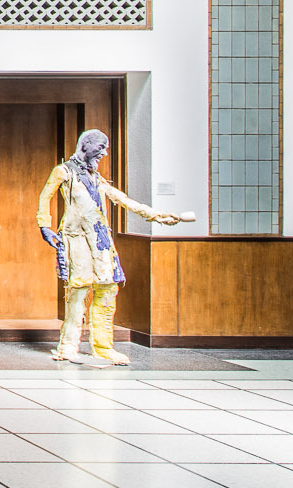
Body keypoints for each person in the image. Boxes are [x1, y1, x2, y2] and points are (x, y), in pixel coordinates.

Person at [36, 129, 187, 363]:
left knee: (107, 290)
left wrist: (158, 216)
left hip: (100, 241)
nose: (104, 153)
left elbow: (122, 199)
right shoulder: (64, 171)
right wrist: (45, 225)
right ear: (86, 145)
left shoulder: (97, 178)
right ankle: (68, 345)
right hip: (77, 239)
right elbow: (45, 196)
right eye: (101, 148)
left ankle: (103, 346)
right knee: (78, 290)